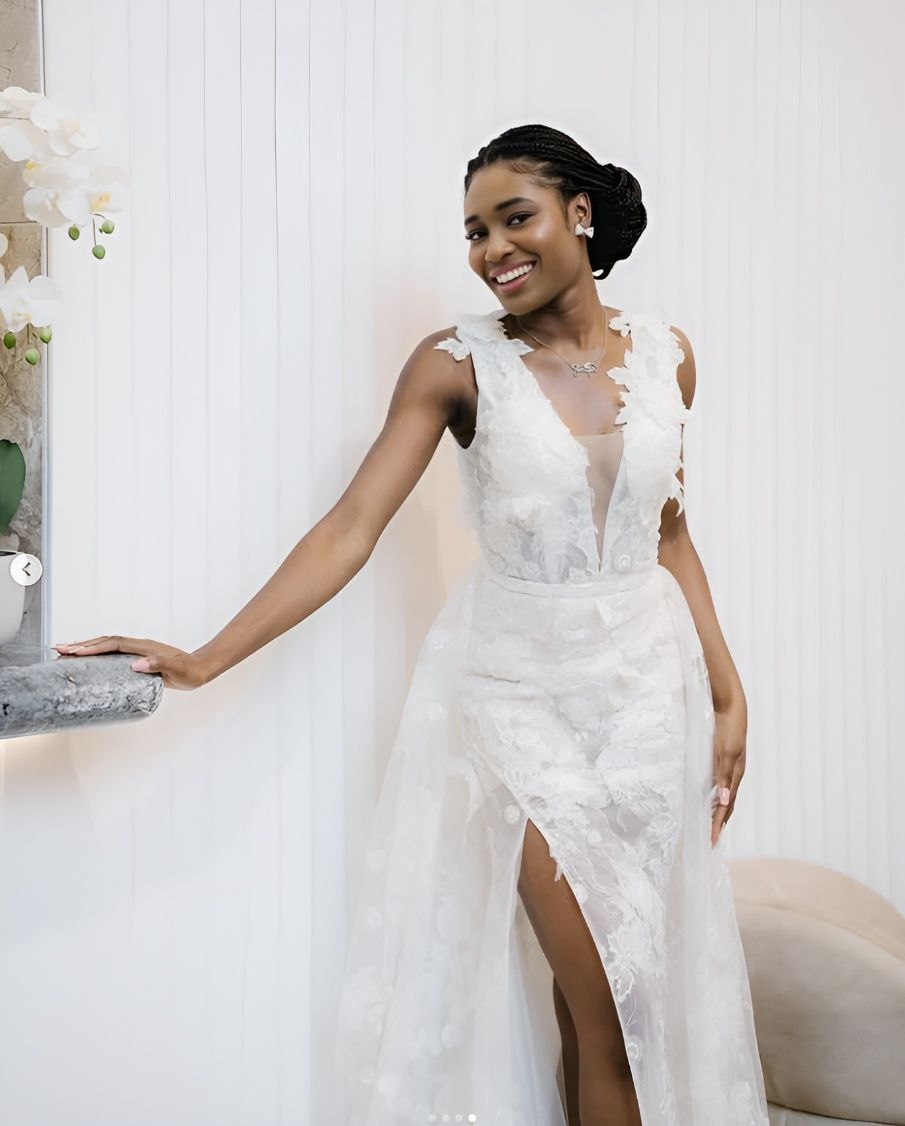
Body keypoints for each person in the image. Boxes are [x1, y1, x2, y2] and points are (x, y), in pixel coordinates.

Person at [54, 123, 770, 1126]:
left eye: (510, 218)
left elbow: (670, 531)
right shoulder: (453, 364)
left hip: (653, 699)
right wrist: (207, 657)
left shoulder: (666, 356)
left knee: (614, 998)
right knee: (609, 1003)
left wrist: (729, 694)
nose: (488, 250)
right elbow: (349, 529)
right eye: (472, 231)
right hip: (518, 707)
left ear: (580, 212)